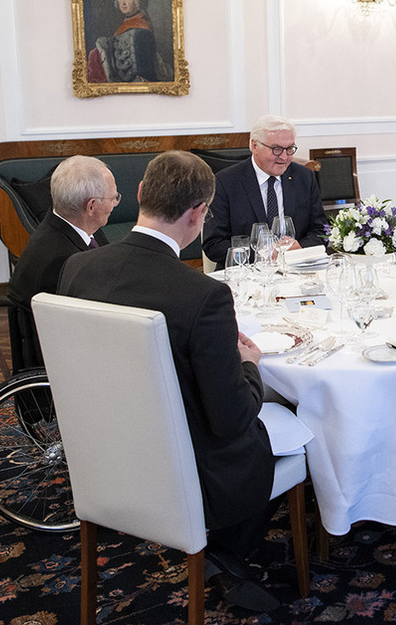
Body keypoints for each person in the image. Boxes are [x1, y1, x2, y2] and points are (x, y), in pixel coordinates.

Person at [58, 151, 281, 612]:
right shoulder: (203, 295)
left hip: (102, 446)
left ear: (140, 194)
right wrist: (251, 366)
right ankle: (222, 554)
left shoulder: (78, 267)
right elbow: (231, 417)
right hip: (187, 466)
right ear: (198, 214)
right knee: (276, 427)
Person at [7, 155, 117, 371]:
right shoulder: (61, 260)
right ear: (91, 206)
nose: (115, 203)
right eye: (113, 198)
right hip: (65, 364)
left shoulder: (71, 228)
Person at [202, 114, 328, 268]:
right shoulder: (225, 182)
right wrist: (265, 254)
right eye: (276, 149)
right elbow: (214, 245)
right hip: (246, 273)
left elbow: (321, 231)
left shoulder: (304, 177)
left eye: (290, 149)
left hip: (296, 270)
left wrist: (300, 247)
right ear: (255, 146)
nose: (284, 157)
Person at [86, 0, 173, 83]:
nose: (123, 2)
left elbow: (144, 70)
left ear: (137, 2)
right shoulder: (125, 25)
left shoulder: (141, 30)